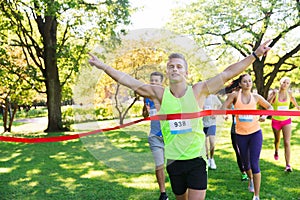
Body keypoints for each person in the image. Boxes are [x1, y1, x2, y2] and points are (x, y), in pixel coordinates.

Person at [88, 40, 271, 200]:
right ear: (167, 72)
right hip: (174, 161)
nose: (175, 69)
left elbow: (227, 73)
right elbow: (129, 81)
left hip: (197, 159)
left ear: (186, 72)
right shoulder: (159, 93)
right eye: (171, 66)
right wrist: (103, 66)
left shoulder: (198, 90)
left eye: (179, 66)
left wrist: (255, 55)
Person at [222, 74, 273, 200]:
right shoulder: (235, 96)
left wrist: (264, 116)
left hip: (255, 133)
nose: (248, 83)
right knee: (245, 163)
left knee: (255, 163)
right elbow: (224, 107)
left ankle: (256, 195)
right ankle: (250, 178)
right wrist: (225, 114)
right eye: (245, 81)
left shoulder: (256, 97)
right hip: (240, 135)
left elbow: (269, 107)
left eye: (249, 81)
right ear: (240, 84)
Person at [142, 71, 168, 200]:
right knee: (159, 165)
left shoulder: (167, 95)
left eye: (156, 81)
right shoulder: (147, 97)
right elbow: (145, 115)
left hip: (169, 137)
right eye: (151, 80)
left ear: (161, 83)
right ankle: (163, 193)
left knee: (175, 166)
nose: (153, 83)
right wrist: (146, 112)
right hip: (154, 136)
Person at [267, 76, 300, 172]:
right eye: (284, 82)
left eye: (288, 83)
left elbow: (295, 104)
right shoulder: (275, 93)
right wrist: (272, 96)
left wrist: (298, 107)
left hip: (286, 121)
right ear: (280, 83)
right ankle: (276, 150)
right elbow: (267, 104)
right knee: (277, 140)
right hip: (276, 121)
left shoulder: (289, 94)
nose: (285, 84)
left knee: (287, 142)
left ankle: (288, 165)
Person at [224, 81, 249, 181]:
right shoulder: (232, 98)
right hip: (235, 129)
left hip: (248, 129)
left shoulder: (248, 98)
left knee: (247, 152)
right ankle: (243, 172)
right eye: (237, 89)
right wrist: (225, 114)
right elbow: (225, 108)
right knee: (238, 152)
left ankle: (249, 170)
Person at [202, 94, 222, 169]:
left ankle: (212, 158)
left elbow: (220, 105)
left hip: (211, 123)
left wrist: (216, 114)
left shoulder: (213, 97)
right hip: (202, 123)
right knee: (204, 145)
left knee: (212, 142)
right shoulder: (201, 97)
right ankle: (207, 159)